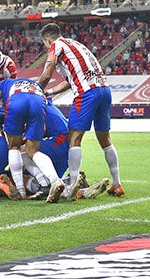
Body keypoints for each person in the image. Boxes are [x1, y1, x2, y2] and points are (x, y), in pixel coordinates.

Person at [37, 22, 124, 197]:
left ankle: (72, 186)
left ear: (47, 40)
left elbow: (47, 73)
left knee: (74, 138)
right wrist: (50, 91)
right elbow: (71, 79)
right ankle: (117, 184)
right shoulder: (76, 44)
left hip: (87, 93)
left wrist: (35, 90)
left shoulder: (55, 46)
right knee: (105, 139)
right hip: (104, 90)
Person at [0, 78, 65, 203]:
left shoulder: (3, 84)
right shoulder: (36, 85)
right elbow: (42, 129)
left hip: (16, 100)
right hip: (38, 101)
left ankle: (20, 190)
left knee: (14, 147)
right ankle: (54, 180)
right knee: (32, 151)